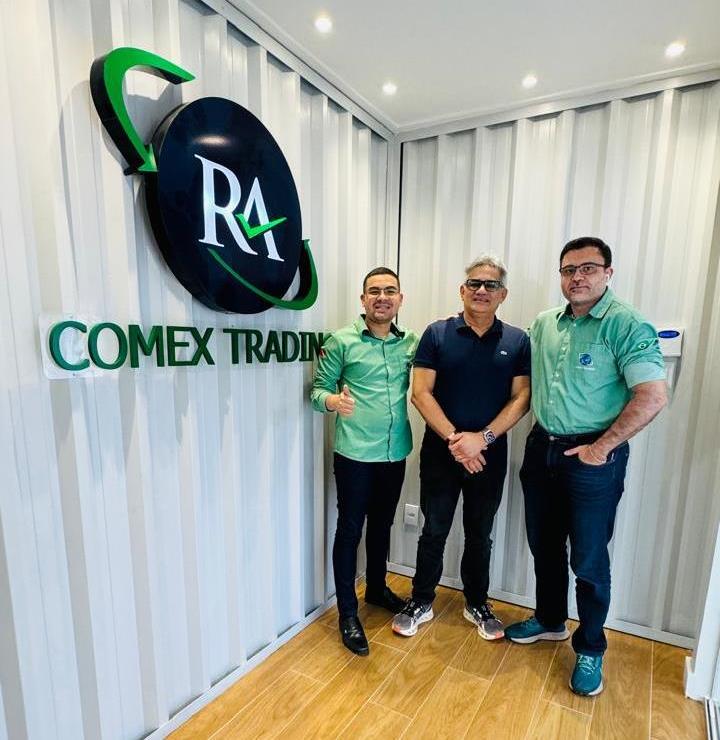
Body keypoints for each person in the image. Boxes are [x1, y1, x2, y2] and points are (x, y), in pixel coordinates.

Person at [504, 236, 667, 696]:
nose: (577, 277)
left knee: (589, 560)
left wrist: (602, 447)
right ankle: (550, 620)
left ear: (608, 273)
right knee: (544, 545)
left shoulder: (626, 324)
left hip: (593, 458)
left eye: (588, 268)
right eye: (568, 270)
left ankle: (591, 648)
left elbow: (653, 395)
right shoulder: (544, 324)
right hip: (542, 449)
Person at [392, 256, 530, 641]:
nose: (481, 290)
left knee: (480, 533)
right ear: (462, 290)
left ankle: (477, 603)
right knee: (433, 530)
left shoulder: (517, 341)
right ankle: (421, 600)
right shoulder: (437, 334)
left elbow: (522, 398)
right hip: (442, 453)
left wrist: (481, 439)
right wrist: (458, 440)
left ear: (502, 294)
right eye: (474, 283)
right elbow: (421, 393)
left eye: (490, 285)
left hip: (489, 455)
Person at [311, 267, 419, 655]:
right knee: (350, 529)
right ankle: (347, 613)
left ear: (400, 299)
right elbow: (317, 391)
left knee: (382, 524)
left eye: (390, 291)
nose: (382, 297)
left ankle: (376, 588)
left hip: (395, 451)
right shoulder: (341, 341)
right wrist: (333, 401)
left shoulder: (411, 343)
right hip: (355, 454)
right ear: (363, 299)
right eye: (374, 291)